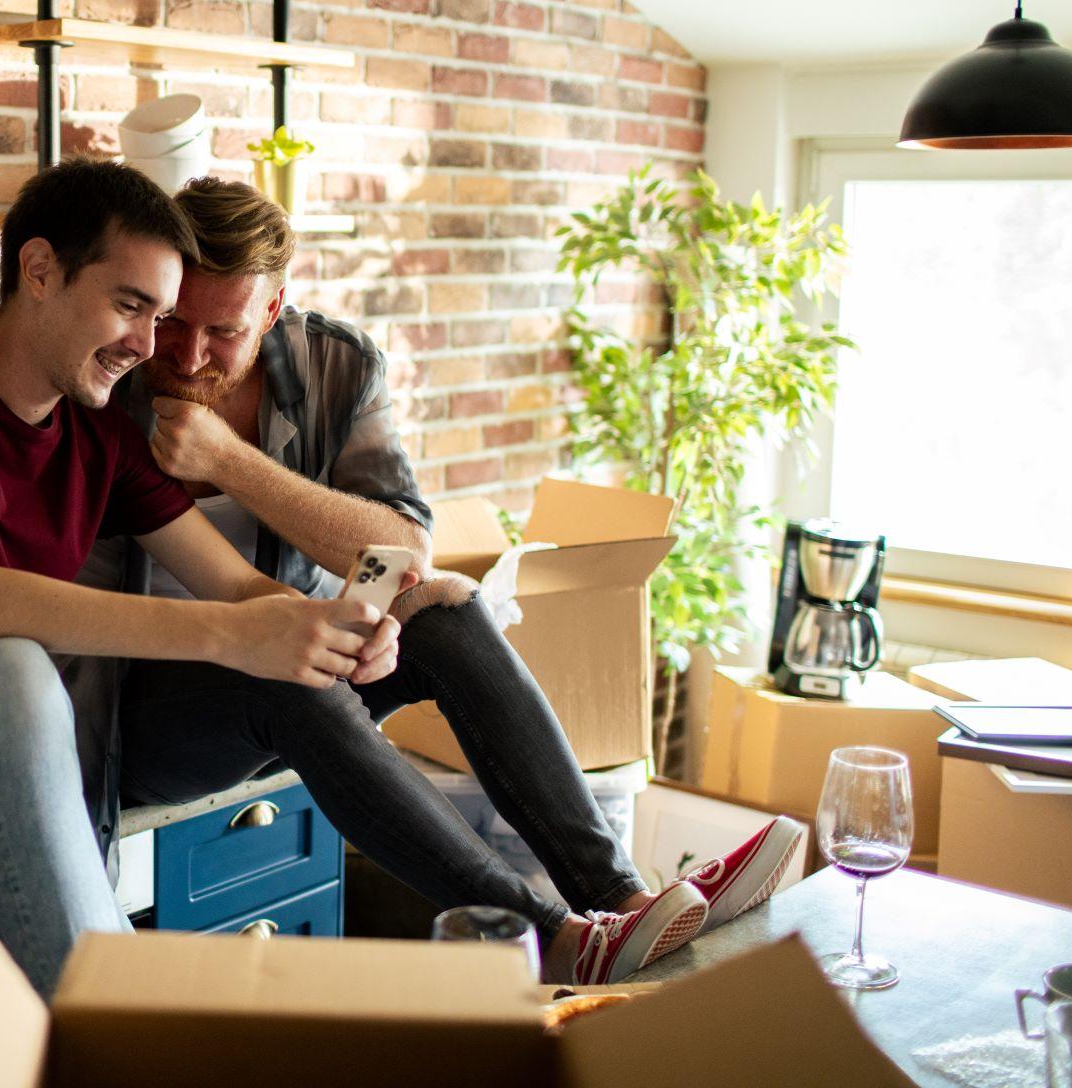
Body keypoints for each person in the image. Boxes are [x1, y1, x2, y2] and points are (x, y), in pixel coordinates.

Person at [81, 177, 804, 984]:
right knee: (287, 672)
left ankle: (622, 900)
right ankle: (554, 938)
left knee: (446, 610)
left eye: (225, 332)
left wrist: (229, 462)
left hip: (289, 660)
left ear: (275, 307)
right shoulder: (107, 375)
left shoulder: (336, 366)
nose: (185, 355)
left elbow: (403, 545)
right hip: (143, 715)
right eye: (172, 321)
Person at [0, 160, 403, 997]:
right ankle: (121, 1035)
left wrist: (339, 626)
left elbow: (237, 588)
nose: (148, 345)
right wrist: (230, 636)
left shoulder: (99, 439)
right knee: (9, 669)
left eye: (158, 316)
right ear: (41, 271)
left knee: (21, 1018)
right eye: (130, 306)